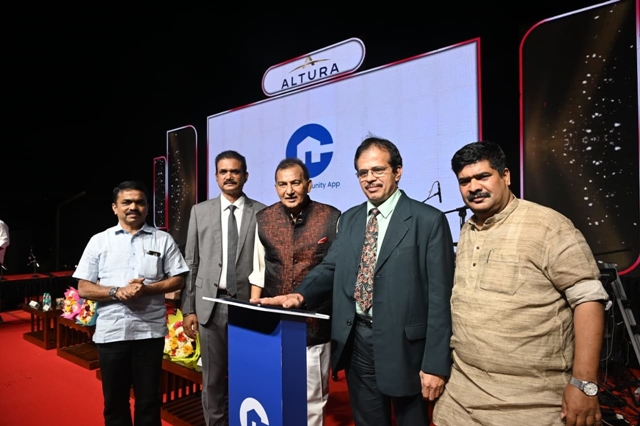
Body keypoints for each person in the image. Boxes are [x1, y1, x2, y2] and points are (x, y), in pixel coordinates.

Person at [252, 136, 455, 426]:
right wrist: (300, 295)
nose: (369, 178)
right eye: (362, 172)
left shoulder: (428, 220)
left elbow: (440, 298)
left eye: (378, 170)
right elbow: (330, 267)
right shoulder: (350, 219)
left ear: (397, 171)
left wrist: (435, 364)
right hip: (357, 341)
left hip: (405, 348)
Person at [432, 141, 609, 426]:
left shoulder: (549, 226)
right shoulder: (468, 230)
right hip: (461, 400)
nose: (473, 187)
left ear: (506, 176)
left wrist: (584, 383)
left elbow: (588, 299)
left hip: (533, 404)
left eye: (483, 176)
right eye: (465, 181)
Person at [74, 180, 189, 426]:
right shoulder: (99, 241)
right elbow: (83, 287)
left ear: (147, 207)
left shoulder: (163, 239)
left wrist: (147, 289)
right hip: (112, 333)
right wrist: (117, 292)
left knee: (149, 401)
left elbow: (179, 279)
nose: (133, 207)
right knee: (115, 402)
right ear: (114, 207)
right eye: (126, 202)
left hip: (149, 333)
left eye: (139, 202)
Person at [249, 158, 340, 426]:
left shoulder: (332, 217)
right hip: (274, 325)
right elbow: (258, 271)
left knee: (313, 399)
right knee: (274, 393)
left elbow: (337, 270)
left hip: (315, 326)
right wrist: (255, 314)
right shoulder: (264, 219)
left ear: (308, 185)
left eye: (295, 183)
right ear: (276, 187)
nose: (289, 190)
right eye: (282, 184)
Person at [181, 150, 266, 426]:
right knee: (213, 379)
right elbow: (192, 262)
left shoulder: (262, 212)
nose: (229, 176)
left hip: (247, 306)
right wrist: (188, 309)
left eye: (235, 171)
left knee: (249, 376)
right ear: (216, 176)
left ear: (245, 176)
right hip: (211, 306)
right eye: (223, 171)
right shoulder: (200, 211)